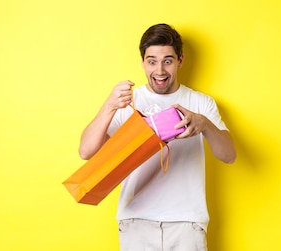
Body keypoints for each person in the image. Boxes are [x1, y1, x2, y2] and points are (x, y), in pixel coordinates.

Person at [78, 23, 236, 250]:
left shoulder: (201, 103)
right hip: (136, 221)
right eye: (152, 61)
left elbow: (229, 155)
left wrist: (205, 124)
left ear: (180, 60)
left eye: (168, 61)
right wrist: (109, 105)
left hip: (187, 222)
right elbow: (86, 151)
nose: (160, 71)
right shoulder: (127, 103)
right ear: (143, 62)